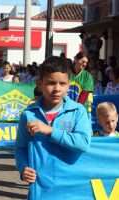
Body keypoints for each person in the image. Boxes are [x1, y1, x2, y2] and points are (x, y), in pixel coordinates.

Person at [15, 58, 92, 190]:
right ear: (40, 84)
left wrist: (50, 131)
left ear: (69, 85)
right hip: (40, 187)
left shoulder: (78, 111)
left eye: (62, 83)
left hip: (71, 185)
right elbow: (20, 148)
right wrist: (23, 168)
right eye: (51, 83)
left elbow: (83, 143)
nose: (57, 89)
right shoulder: (28, 114)